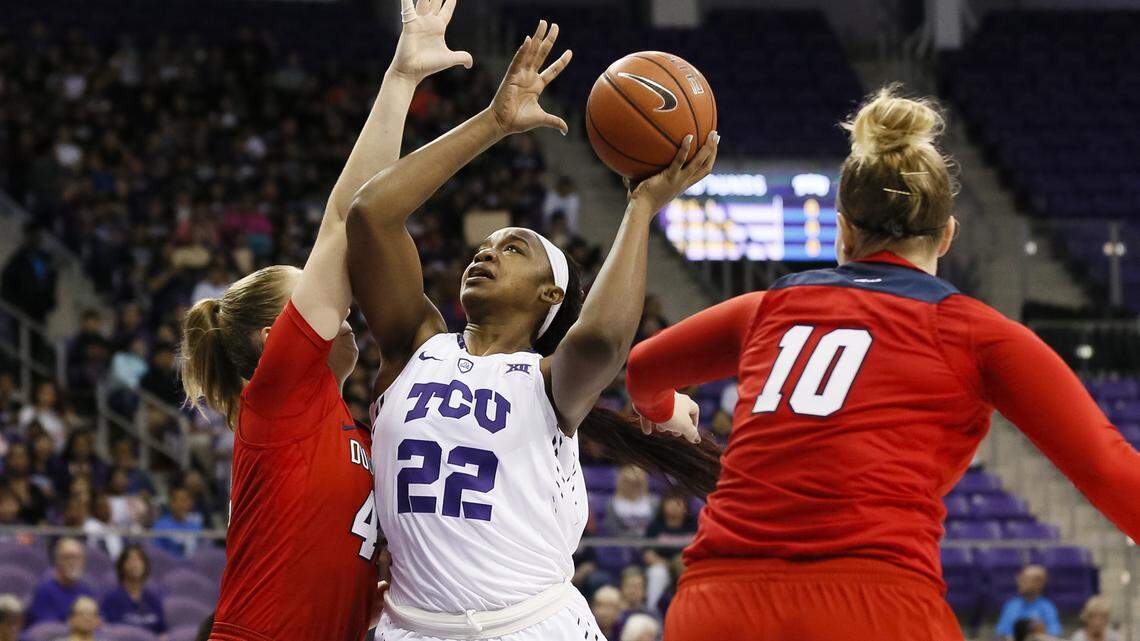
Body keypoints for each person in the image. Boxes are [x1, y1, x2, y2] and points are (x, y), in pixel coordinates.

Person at [624, 85, 1140, 641]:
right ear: (947, 235)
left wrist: (669, 408)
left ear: (843, 229)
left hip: (716, 604)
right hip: (872, 603)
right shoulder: (975, 332)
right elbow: (1110, 471)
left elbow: (642, 367)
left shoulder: (769, 307)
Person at [348, 18, 720, 641]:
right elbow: (370, 214)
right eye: (485, 246)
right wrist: (493, 123)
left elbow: (602, 339)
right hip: (410, 629)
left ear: (552, 293)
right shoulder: (416, 346)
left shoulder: (552, 385)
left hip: (530, 627)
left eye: (513, 247)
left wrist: (641, 206)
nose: (486, 252)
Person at [178, 2, 471, 639]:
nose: (337, 302)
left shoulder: (336, 423)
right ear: (272, 339)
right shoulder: (276, 398)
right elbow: (348, 218)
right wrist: (402, 77)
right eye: (311, 294)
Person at [26, 538, 96, 626]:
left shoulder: (87, 591)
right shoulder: (44, 591)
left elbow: (96, 622)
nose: (72, 562)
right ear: (57, 561)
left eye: (77, 557)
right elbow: (46, 628)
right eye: (67, 557)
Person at [99, 545, 167, 634]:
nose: (136, 564)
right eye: (131, 560)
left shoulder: (153, 599)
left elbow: (162, 630)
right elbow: (105, 628)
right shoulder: (111, 599)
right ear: (122, 566)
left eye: (139, 560)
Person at [1, 222, 57, 324]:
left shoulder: (46, 259)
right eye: (33, 235)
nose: (36, 238)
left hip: (40, 309)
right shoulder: (18, 259)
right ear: (26, 236)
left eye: (38, 235)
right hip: (21, 308)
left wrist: (49, 301)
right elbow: (7, 282)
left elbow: (51, 282)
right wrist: (15, 302)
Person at [996, 565, 1063, 639]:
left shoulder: (1047, 607)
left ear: (1039, 583)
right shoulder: (1011, 605)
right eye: (1019, 578)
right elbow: (1001, 633)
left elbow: (1054, 632)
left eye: (1025, 579)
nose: (1020, 582)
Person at [603, 465, 658, 537]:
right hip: (620, 544)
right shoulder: (612, 503)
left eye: (637, 483)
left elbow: (656, 528)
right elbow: (611, 529)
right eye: (628, 482)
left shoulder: (653, 502)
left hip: (647, 543)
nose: (632, 486)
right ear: (621, 483)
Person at [151, 486, 204, 558]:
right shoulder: (160, 525)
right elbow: (155, 550)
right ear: (172, 503)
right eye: (181, 500)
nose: (182, 505)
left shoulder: (195, 526)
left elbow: (203, 549)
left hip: (192, 565)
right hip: (169, 565)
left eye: (186, 501)